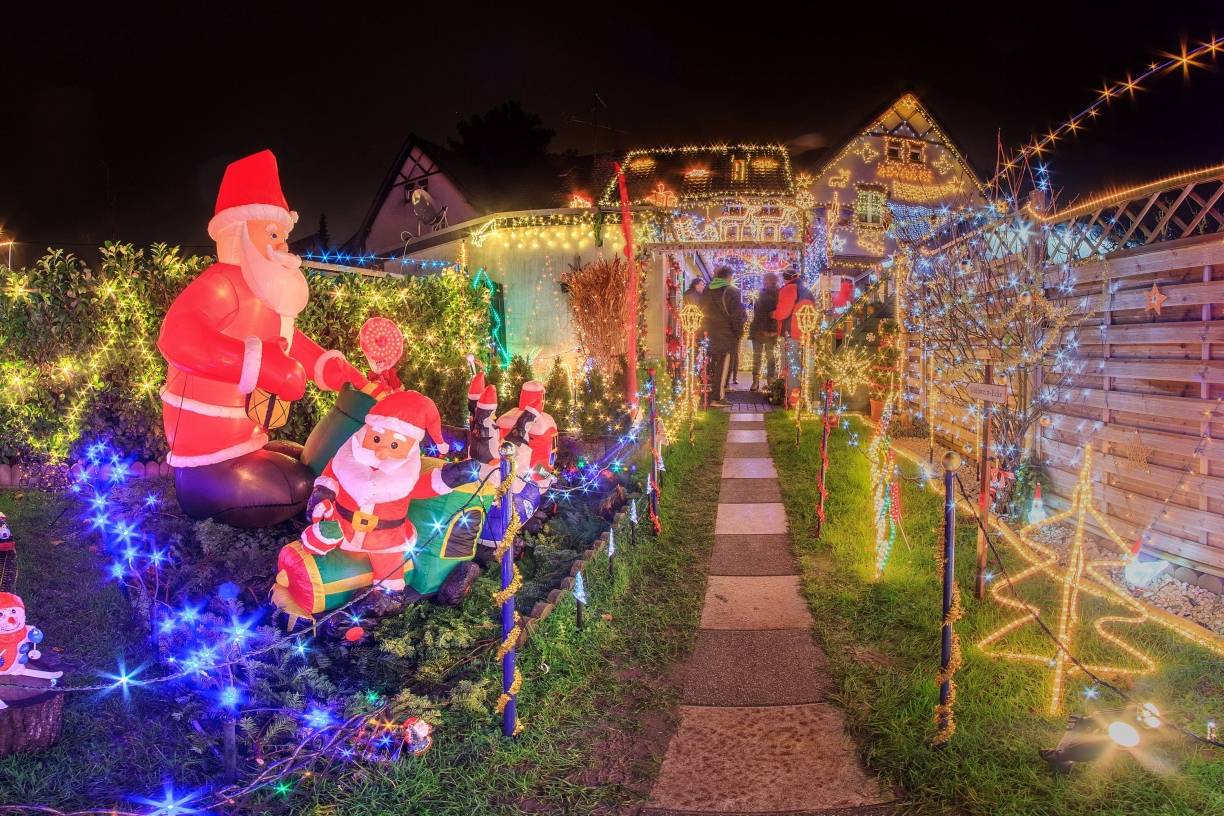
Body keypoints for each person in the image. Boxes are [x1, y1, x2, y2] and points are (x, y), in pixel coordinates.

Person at [701, 266, 746, 408]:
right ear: (729, 277)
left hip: (709, 333)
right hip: (726, 334)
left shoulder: (707, 289)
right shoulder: (732, 291)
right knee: (723, 365)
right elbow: (736, 316)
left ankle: (710, 394)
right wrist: (738, 333)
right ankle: (717, 398)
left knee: (713, 365)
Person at [772, 266, 815, 407]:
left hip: (791, 332)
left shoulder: (789, 289)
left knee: (792, 366)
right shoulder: (808, 291)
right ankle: (807, 397)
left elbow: (782, 312)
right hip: (806, 333)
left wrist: (773, 314)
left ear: (786, 279)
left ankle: (793, 399)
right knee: (806, 366)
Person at [749, 272, 780, 392]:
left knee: (766, 357)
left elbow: (772, 314)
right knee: (764, 357)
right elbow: (759, 314)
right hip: (760, 330)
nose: (764, 282)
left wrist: (772, 329)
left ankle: (764, 380)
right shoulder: (763, 294)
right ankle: (762, 380)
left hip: (766, 331)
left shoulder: (775, 294)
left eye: (766, 280)